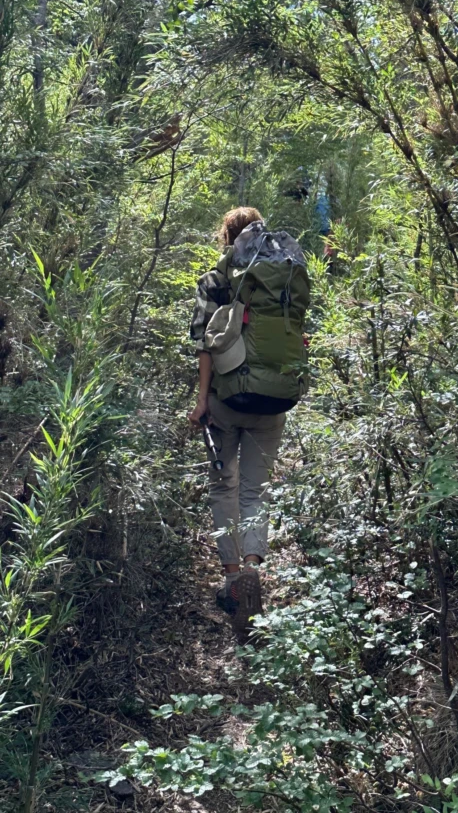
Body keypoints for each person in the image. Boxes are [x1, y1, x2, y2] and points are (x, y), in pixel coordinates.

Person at [188, 207, 309, 640]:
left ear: (228, 237)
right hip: (273, 402)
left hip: (226, 401)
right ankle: (255, 566)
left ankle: (233, 577)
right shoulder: (282, 279)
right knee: (256, 490)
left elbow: (205, 345)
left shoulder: (217, 280)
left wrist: (201, 400)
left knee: (225, 485)